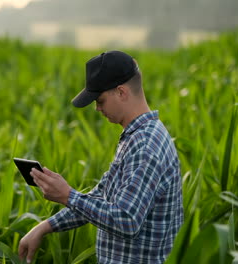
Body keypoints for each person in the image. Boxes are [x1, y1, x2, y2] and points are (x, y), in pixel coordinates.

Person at [18, 50, 184, 263]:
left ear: (121, 92)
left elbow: (127, 220)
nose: (97, 108)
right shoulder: (136, 137)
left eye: (100, 100)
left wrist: (68, 196)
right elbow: (102, 197)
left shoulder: (145, 145)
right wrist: (45, 227)